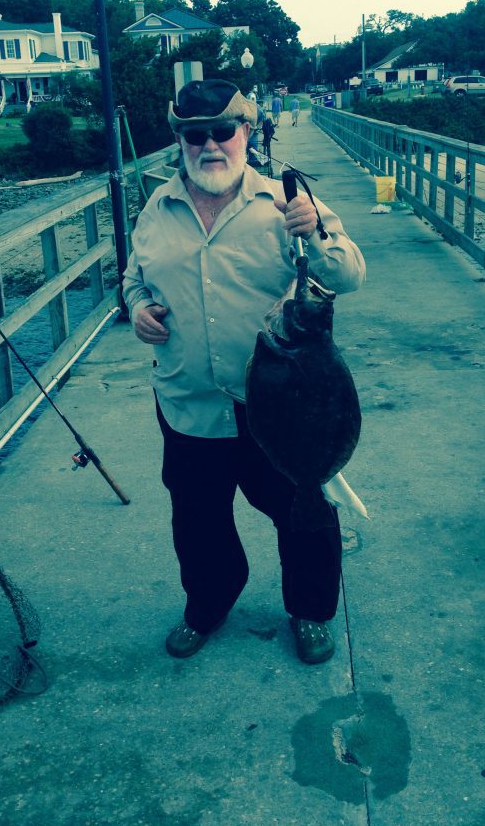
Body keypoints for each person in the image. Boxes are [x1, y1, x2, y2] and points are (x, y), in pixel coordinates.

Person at [122, 80, 365, 665]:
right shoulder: (157, 208)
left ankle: (310, 611)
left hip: (278, 407)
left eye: (222, 131)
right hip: (188, 402)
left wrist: (319, 231)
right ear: (179, 139)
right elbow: (135, 277)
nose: (209, 144)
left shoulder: (287, 201)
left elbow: (350, 275)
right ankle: (207, 605)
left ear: (247, 133)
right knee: (198, 521)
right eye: (193, 133)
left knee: (304, 510)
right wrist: (137, 309)